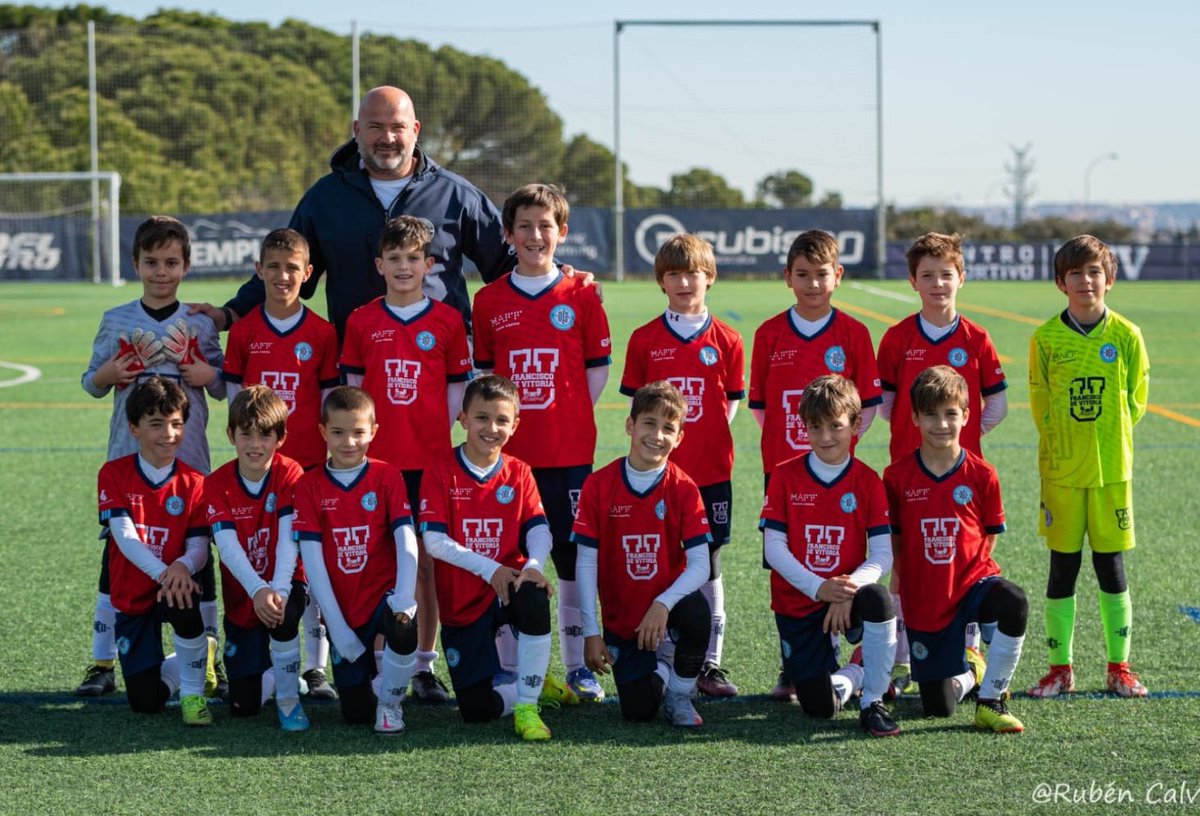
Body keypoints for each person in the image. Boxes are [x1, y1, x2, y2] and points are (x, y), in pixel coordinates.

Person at [193, 86, 510, 339]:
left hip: (435, 359)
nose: (387, 138)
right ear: (357, 130)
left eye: (397, 127)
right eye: (375, 127)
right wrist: (228, 314)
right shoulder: (325, 198)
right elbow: (286, 269)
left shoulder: (456, 195)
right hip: (356, 361)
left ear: (415, 130)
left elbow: (505, 263)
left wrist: (556, 278)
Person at [472, 183, 612, 702]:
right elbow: (486, 378)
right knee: (511, 557)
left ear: (563, 232)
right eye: (525, 226)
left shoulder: (581, 295)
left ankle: (578, 666)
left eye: (545, 226)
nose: (536, 236)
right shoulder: (488, 301)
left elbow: (595, 371)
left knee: (573, 560)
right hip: (508, 460)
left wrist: (568, 414)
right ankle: (511, 668)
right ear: (508, 235)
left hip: (570, 453)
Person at [77, 216, 226, 699]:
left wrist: (206, 373)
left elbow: (223, 383)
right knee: (116, 557)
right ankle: (102, 663)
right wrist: (109, 373)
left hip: (190, 458)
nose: (161, 272)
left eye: (171, 262)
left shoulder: (200, 323)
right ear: (136, 264)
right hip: (128, 455)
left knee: (199, 555)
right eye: (151, 262)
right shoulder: (117, 319)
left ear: (186, 265)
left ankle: (208, 660)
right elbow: (90, 383)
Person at [340, 215, 474, 703]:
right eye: (394, 258)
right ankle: (381, 662)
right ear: (379, 264)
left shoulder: (446, 321)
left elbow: (458, 390)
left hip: (429, 463)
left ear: (429, 265)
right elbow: (354, 394)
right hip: (376, 466)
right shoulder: (361, 320)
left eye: (413, 258)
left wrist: (436, 438)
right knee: (378, 562)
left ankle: (422, 664)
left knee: (425, 566)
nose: (403, 266)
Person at [748, 228, 882, 701]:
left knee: (839, 554)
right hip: (784, 472)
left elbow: (867, 405)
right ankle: (794, 660)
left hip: (837, 472)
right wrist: (794, 454)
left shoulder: (853, 333)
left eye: (821, 275)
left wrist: (837, 450)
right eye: (801, 275)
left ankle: (863, 654)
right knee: (786, 561)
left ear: (837, 276)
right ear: (787, 277)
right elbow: (761, 406)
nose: (811, 284)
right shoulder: (768, 333)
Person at [875, 232, 1008, 699]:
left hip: (959, 479)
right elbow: (888, 407)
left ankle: (966, 650)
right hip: (909, 476)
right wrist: (920, 444)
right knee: (905, 563)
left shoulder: (976, 338)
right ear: (913, 280)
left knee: (961, 560)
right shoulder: (896, 338)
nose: (937, 284)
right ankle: (898, 659)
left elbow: (996, 406)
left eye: (945, 275)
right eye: (927, 275)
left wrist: (961, 439)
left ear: (961, 279)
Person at [418, 375, 580, 741]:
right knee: (476, 711)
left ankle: (526, 704)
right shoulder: (440, 470)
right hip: (463, 598)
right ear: (462, 418)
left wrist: (534, 566)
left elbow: (539, 528)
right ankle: (536, 687)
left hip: (510, 588)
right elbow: (434, 542)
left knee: (535, 595)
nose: (492, 428)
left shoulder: (519, 471)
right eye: (482, 418)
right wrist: (491, 570)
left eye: (502, 420)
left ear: (515, 424)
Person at [619, 233, 744, 697]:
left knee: (708, 564)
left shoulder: (727, 340)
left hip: (710, 475)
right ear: (661, 282)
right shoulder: (645, 339)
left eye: (693, 273)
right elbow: (637, 412)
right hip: (655, 477)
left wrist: (701, 444)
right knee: (661, 558)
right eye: (674, 274)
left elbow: (727, 405)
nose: (684, 282)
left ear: (709, 278)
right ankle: (666, 654)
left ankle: (709, 661)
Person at [1026, 235, 1150, 699]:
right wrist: (1068, 442)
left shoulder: (1125, 335)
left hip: (1111, 472)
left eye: (1094, 272)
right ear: (1061, 282)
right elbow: (1040, 403)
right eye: (1075, 274)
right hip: (1060, 471)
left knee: (1111, 568)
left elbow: (1136, 399)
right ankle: (1060, 669)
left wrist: (1104, 438)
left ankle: (1119, 667)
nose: (1085, 281)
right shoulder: (1046, 338)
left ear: (1109, 279)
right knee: (1062, 568)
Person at [220, 228, 340, 701]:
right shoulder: (246, 330)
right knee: (263, 557)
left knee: (309, 566)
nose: (282, 276)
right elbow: (234, 403)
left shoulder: (322, 333)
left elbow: (329, 404)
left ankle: (315, 666)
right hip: (258, 472)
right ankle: (255, 655)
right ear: (258, 271)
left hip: (307, 469)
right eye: (273, 266)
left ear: (307, 274)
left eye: (292, 268)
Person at [883, 366, 1027, 733]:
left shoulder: (982, 474)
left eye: (950, 413)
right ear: (914, 417)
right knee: (937, 708)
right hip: (928, 596)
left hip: (972, 582)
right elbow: (896, 541)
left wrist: (971, 569)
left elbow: (987, 536)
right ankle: (973, 669)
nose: (941, 424)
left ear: (966, 415)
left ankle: (990, 700)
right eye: (930, 414)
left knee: (1013, 600)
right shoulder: (896, 477)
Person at [760, 375, 899, 737]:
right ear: (803, 427)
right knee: (819, 709)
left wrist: (847, 589)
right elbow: (773, 549)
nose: (825, 437)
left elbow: (883, 554)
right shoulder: (784, 476)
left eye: (835, 426)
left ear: (855, 424)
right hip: (800, 601)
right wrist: (819, 588)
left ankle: (872, 702)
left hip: (847, 595)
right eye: (814, 427)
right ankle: (856, 669)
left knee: (878, 598)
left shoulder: (868, 481)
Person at [573, 382, 713, 727]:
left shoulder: (683, 487)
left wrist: (663, 604)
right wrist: (591, 632)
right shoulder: (599, 485)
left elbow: (700, 564)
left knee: (696, 611)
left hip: (668, 606)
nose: (658, 435)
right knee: (638, 710)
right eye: (649, 423)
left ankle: (680, 694)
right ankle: (666, 664)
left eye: (669, 428)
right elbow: (586, 562)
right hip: (626, 619)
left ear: (679, 437)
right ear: (630, 426)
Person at [290, 386, 420, 733]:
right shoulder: (309, 485)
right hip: (342, 605)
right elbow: (312, 561)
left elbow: (405, 536)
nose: (349, 441)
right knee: (355, 713)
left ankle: (391, 704)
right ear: (323, 432)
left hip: (381, 594)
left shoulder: (387, 475)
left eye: (358, 432)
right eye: (338, 432)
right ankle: (374, 683)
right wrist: (337, 626)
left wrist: (405, 598)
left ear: (373, 432)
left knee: (405, 627)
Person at [97, 377, 216, 725]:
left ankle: (193, 696)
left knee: (184, 594)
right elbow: (125, 537)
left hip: (176, 589)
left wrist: (180, 568)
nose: (168, 434)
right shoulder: (113, 474)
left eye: (176, 424)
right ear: (133, 428)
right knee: (145, 702)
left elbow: (199, 547)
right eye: (156, 424)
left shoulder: (195, 483)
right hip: (135, 592)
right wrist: (167, 572)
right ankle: (196, 656)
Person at [203, 386, 311, 730]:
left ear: (280, 438)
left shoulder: (290, 472)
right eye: (245, 434)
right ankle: (280, 672)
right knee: (243, 706)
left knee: (287, 611)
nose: (254, 444)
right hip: (245, 598)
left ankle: (289, 698)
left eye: (265, 435)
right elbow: (227, 547)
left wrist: (276, 590)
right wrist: (257, 591)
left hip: (283, 585)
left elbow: (286, 539)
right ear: (230, 435)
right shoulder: (216, 483)